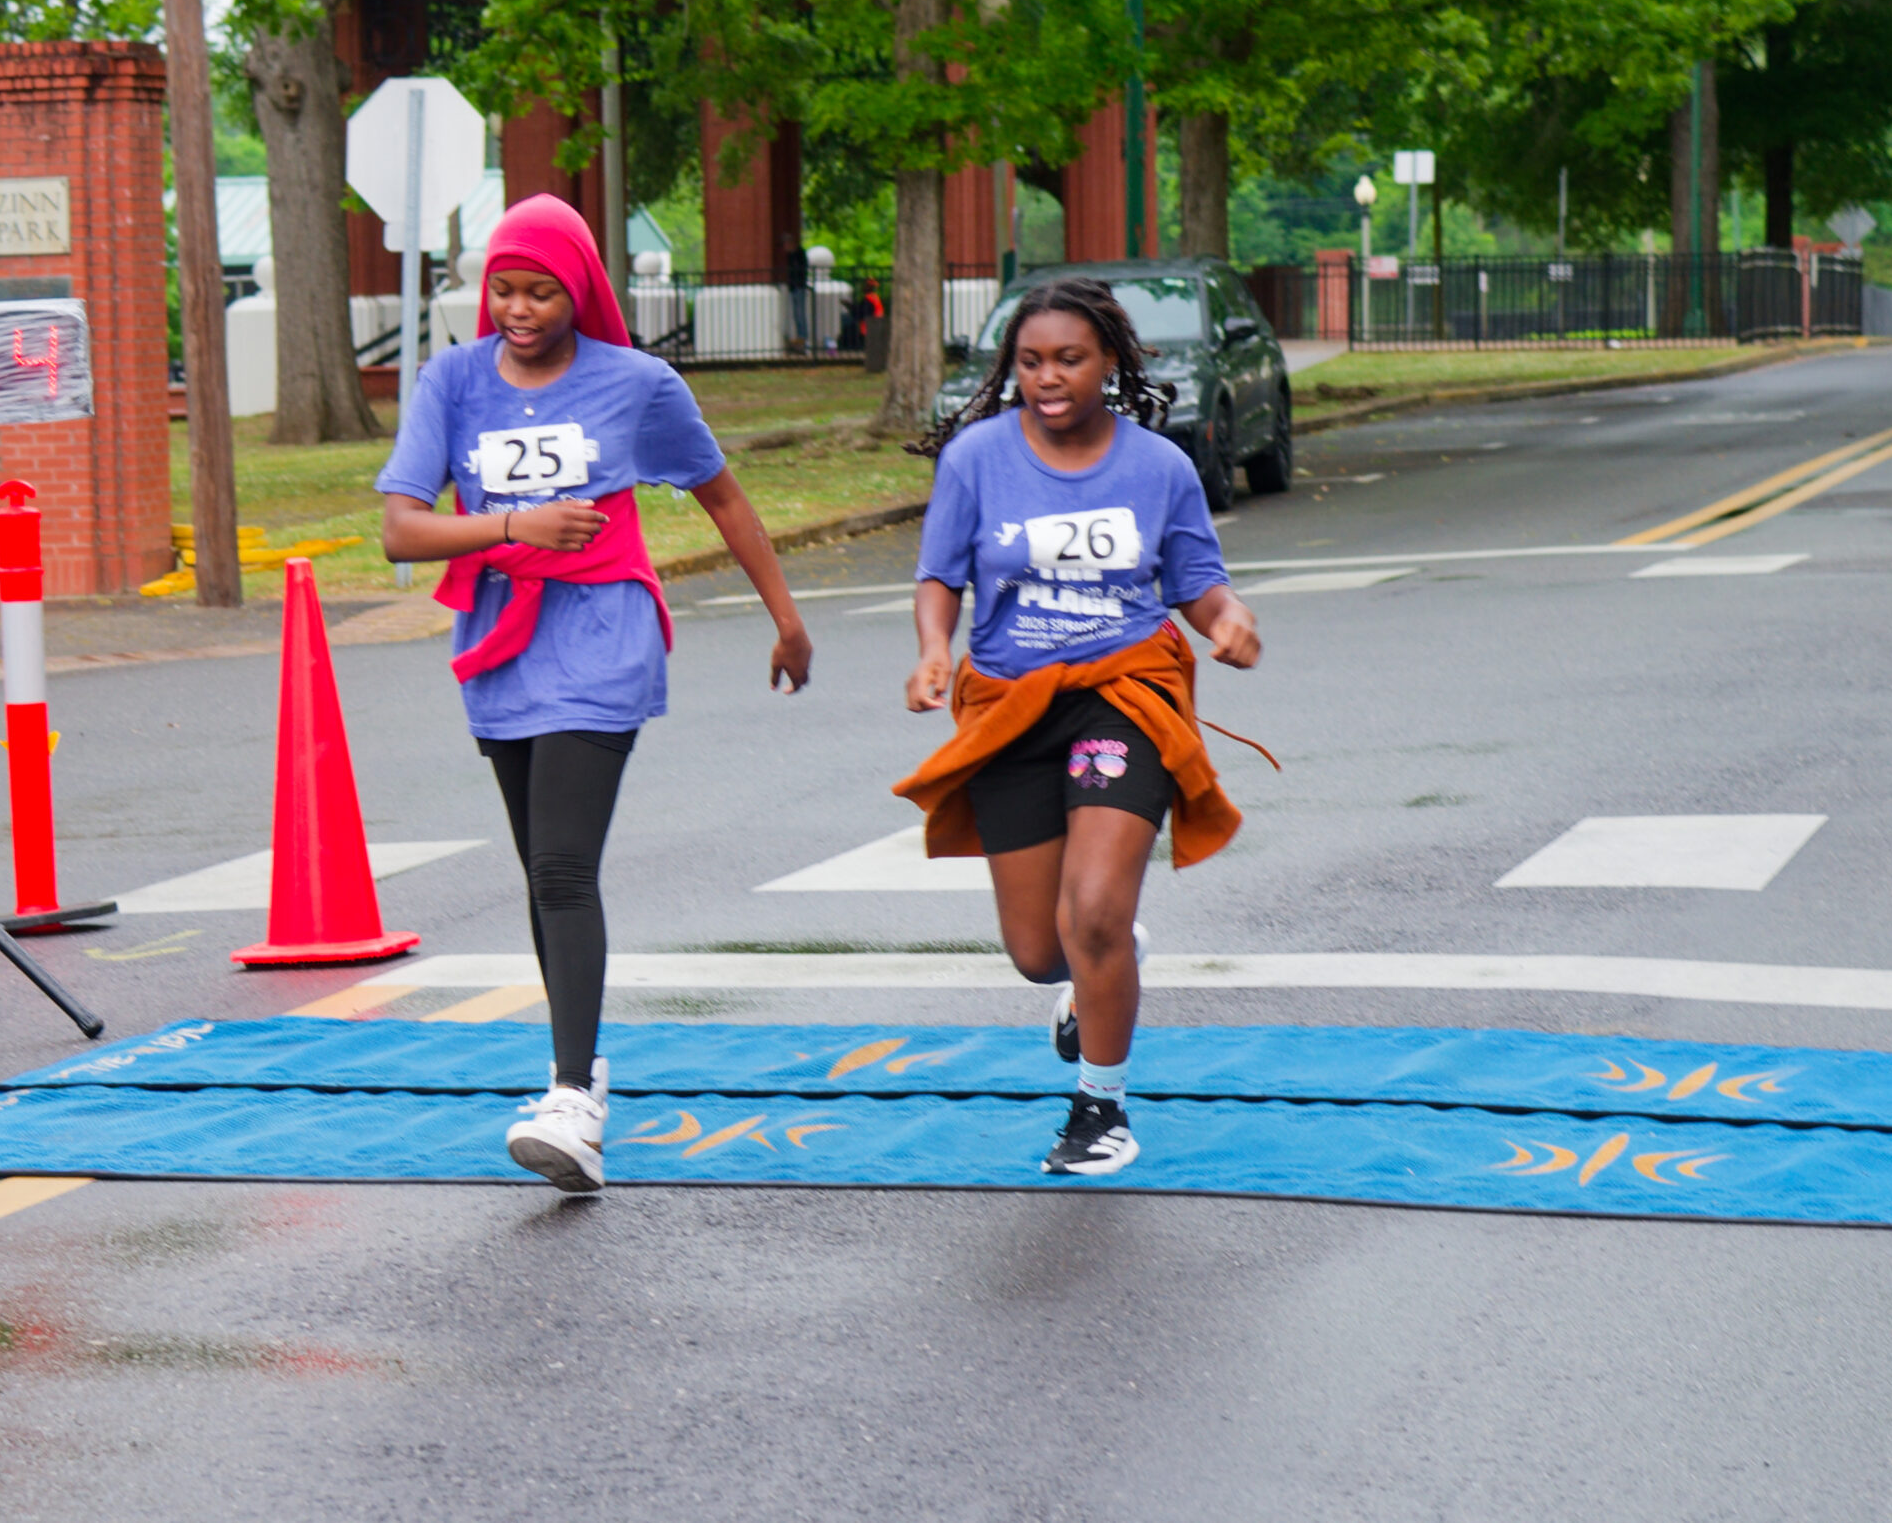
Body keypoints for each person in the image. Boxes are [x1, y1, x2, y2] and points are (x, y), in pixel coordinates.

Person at [378, 196, 814, 1194]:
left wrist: (784, 615)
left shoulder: (637, 385)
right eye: (504, 287)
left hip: (604, 636)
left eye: (541, 290)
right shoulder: (450, 381)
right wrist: (509, 528)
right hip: (499, 641)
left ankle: (573, 1096)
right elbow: (402, 531)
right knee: (542, 870)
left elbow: (723, 495)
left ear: (579, 292)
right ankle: (578, 1065)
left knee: (566, 866)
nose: (520, 308)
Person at [892, 277, 1264, 1175]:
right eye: (1030, 362)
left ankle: (1101, 1107)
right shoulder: (977, 459)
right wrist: (935, 650)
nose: (1048, 378)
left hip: (1123, 691)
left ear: (1110, 364)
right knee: (1036, 953)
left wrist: (1224, 620)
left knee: (1092, 909)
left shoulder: (1158, 467)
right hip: (1013, 706)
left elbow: (1195, 578)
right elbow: (940, 575)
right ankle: (1104, 962)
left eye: (1068, 359)